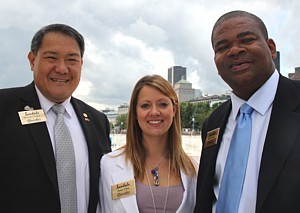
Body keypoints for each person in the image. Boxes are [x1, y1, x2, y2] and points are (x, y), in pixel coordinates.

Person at [194, 10, 300, 213]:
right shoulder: (212, 123)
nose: (234, 51)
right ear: (216, 62)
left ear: (271, 48)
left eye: (247, 40)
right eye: (223, 47)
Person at [0, 24, 111, 212]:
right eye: (51, 58)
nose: (62, 69)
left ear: (81, 64)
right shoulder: (4, 108)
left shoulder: (97, 120)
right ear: (32, 60)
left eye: (72, 60)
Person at [100, 74, 198, 212]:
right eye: (145, 105)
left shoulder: (194, 170)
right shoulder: (109, 164)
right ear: (135, 112)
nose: (154, 112)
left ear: (174, 110)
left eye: (162, 104)